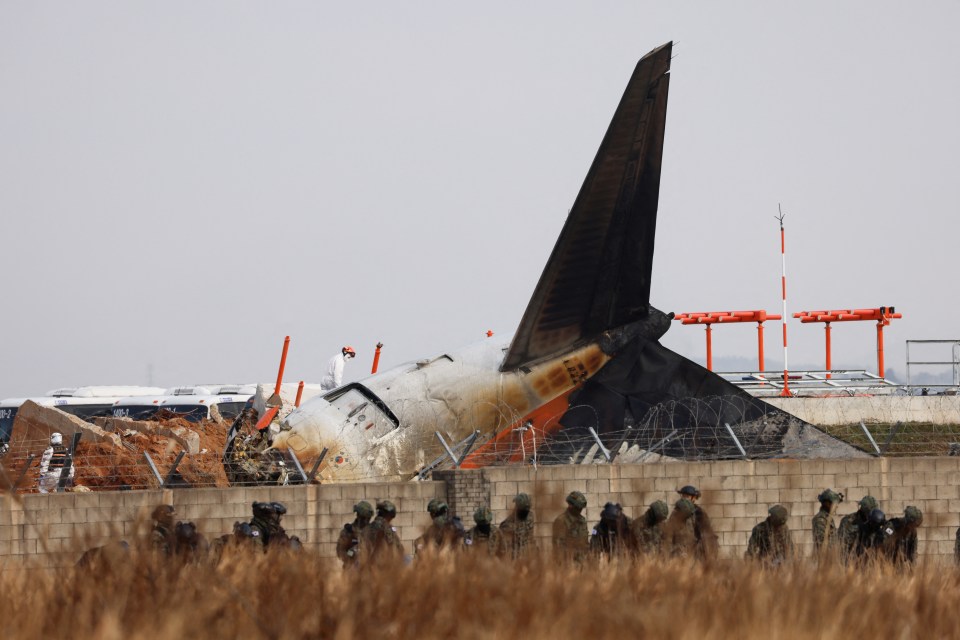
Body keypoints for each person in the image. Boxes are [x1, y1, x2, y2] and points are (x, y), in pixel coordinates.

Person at [677, 485, 718, 561]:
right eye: (683, 495)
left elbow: (707, 535)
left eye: (687, 496)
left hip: (694, 555)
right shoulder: (676, 512)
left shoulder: (699, 512)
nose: (684, 498)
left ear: (694, 498)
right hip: (678, 553)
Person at [363, 500, 405, 564]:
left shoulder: (368, 527)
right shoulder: (386, 527)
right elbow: (396, 546)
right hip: (384, 562)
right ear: (388, 515)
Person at [838, 495, 879, 561]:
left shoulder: (875, 521)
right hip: (850, 559)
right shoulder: (848, 520)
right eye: (869, 512)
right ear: (864, 510)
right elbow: (842, 542)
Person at [552, 491, 589, 563]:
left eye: (581, 508)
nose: (580, 510)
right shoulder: (561, 521)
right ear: (570, 505)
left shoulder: (582, 521)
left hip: (583, 566)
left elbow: (585, 543)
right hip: (568, 566)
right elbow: (558, 548)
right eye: (578, 508)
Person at [500, 493, 537, 559]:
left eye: (527, 509)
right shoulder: (506, 525)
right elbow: (505, 549)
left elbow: (530, 536)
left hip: (530, 557)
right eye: (524, 510)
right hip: (516, 560)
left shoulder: (530, 516)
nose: (527, 512)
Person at [337, 501, 373, 567]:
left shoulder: (372, 531)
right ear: (358, 516)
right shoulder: (348, 531)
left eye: (368, 518)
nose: (365, 520)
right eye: (363, 518)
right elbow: (340, 551)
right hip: (351, 569)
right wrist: (351, 555)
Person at [812, 489, 842, 558]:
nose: (837, 506)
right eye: (835, 503)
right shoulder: (820, 519)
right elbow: (821, 544)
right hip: (825, 560)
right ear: (827, 504)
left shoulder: (828, 518)